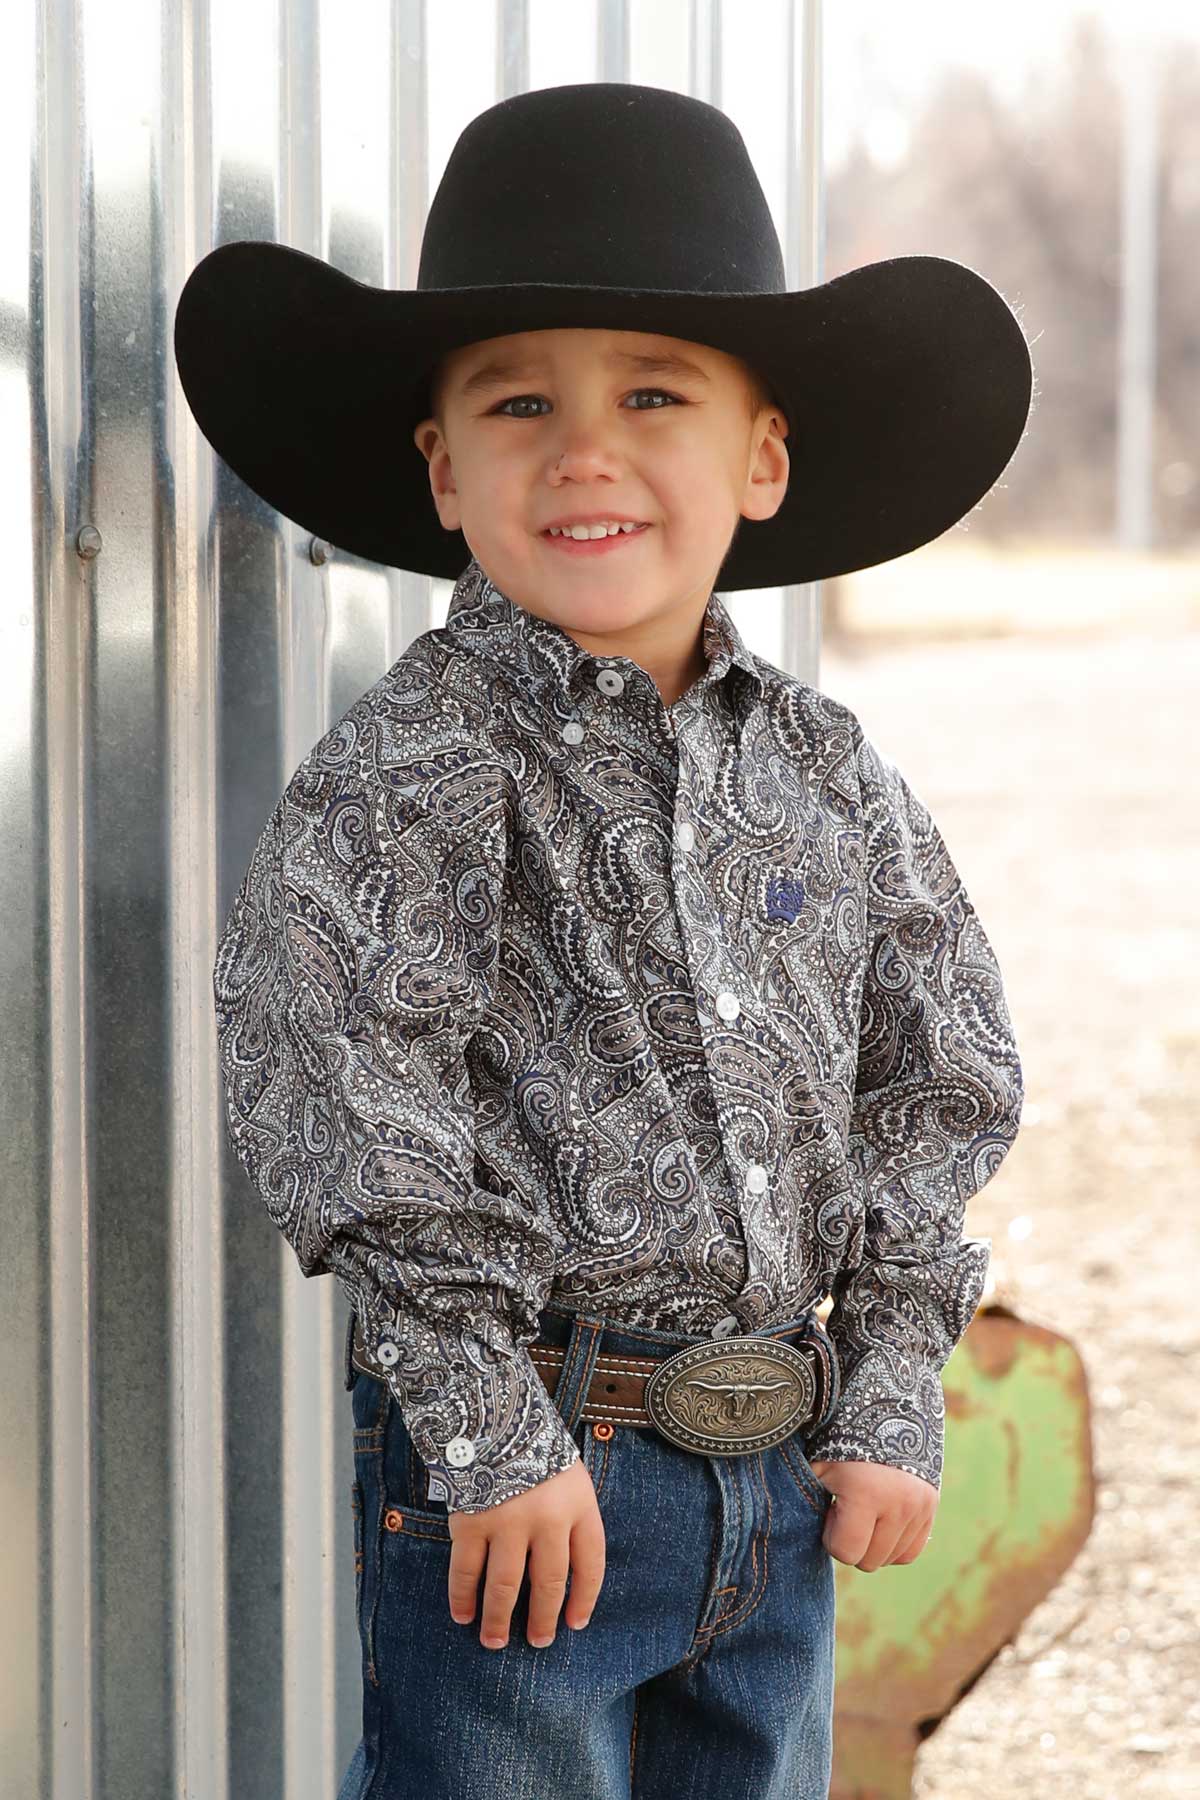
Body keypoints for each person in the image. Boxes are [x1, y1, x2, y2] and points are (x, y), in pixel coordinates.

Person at [176, 82, 1032, 1800]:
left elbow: (933, 1082)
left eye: (655, 394)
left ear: (762, 458)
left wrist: (881, 1380)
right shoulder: (413, 775)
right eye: (518, 402)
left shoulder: (825, 775)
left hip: (775, 1475)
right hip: (534, 1479)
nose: (584, 451)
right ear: (442, 466)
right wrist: (489, 1429)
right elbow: (349, 1097)